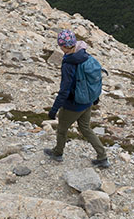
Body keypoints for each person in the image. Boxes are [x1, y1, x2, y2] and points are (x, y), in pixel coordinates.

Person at [44, 29, 109, 168]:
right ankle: (102, 157)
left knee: (62, 129)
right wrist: (94, 97)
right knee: (86, 128)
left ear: (62, 46)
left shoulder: (69, 63)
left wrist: (54, 109)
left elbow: (65, 90)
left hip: (73, 104)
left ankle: (57, 153)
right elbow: (94, 80)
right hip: (87, 102)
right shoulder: (85, 55)